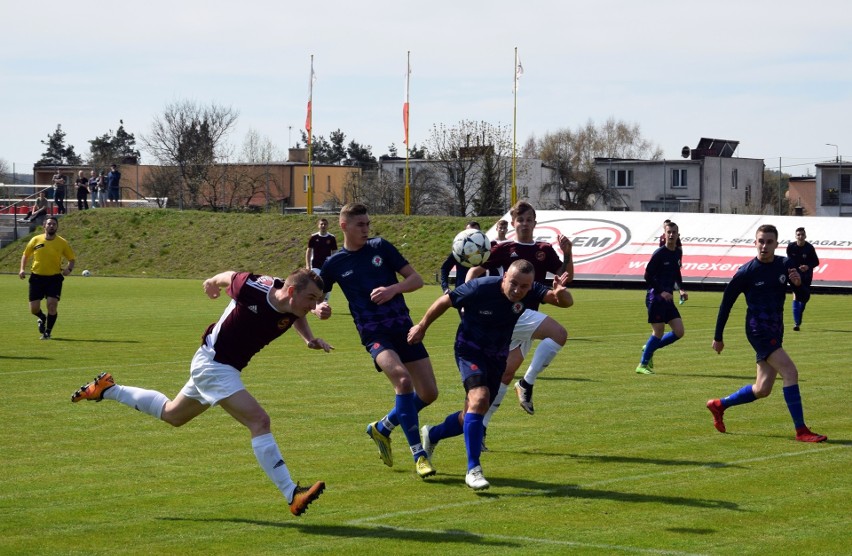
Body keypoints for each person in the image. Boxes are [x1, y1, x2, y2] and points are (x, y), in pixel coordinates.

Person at [71, 269, 332, 515]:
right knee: (259, 421)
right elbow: (230, 276)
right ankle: (291, 493)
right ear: (291, 291)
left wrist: (309, 339)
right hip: (214, 365)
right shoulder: (253, 288)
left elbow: (295, 317)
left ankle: (108, 389)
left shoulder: (292, 304)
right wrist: (210, 282)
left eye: (317, 300)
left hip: (221, 367)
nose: (313, 305)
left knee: (173, 415)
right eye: (311, 298)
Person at [410, 260, 573, 490]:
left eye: (524, 287)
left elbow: (565, 303)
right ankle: (473, 469)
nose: (517, 290)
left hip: (497, 357)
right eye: (513, 283)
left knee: (472, 412)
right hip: (470, 351)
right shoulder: (482, 287)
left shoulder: (530, 291)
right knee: (479, 398)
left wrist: (560, 293)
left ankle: (433, 433)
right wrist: (422, 326)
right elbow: (446, 301)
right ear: (505, 276)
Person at [317, 202, 438, 479]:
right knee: (403, 381)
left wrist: (393, 288)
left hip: (403, 327)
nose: (366, 229)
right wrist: (318, 309)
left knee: (429, 393)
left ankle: (382, 428)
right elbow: (316, 295)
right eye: (360, 224)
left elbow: (416, 279)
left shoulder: (381, 247)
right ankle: (419, 455)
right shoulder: (334, 263)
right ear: (344, 225)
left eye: (368, 224)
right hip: (373, 334)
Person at [706, 224, 827, 443]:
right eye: (761, 241)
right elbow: (726, 304)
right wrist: (718, 336)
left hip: (776, 329)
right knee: (790, 372)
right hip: (758, 330)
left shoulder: (785, 264)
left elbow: (803, 298)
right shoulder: (746, 272)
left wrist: (799, 285)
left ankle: (719, 405)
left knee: (762, 389)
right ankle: (801, 431)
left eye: (769, 242)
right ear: (755, 243)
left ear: (776, 244)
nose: (764, 246)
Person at [467, 200, 573, 422]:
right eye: (520, 220)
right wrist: (468, 297)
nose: (525, 224)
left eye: (529, 220)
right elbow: (474, 271)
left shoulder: (544, 250)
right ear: (513, 224)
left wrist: (567, 253)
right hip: (511, 312)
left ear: (535, 223)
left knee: (505, 375)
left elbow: (565, 277)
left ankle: (482, 426)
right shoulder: (505, 249)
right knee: (559, 334)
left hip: (526, 318)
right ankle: (526, 382)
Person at [635, 220, 688, 374]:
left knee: (679, 331)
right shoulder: (659, 254)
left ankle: (650, 347)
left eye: (674, 232)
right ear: (664, 235)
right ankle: (642, 365)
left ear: (678, 235)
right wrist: (661, 291)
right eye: (668, 232)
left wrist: (681, 289)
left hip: (668, 299)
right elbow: (647, 275)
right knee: (658, 332)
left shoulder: (677, 252)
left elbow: (676, 272)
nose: (671, 235)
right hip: (655, 298)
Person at [19, 216, 76, 339]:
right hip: (36, 278)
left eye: (54, 224)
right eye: (49, 224)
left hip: (54, 279)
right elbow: (25, 255)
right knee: (34, 309)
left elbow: (71, 259)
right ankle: (42, 317)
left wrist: (68, 269)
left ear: (57, 227)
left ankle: (47, 332)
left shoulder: (62, 242)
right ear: (44, 226)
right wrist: (22, 269)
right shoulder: (35, 240)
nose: (51, 226)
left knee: (52, 305)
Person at [786, 227, 819, 331]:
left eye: (802, 234)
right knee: (796, 294)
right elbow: (789, 260)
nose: (800, 236)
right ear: (795, 236)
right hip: (795, 274)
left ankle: (799, 317)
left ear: (805, 236)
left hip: (806, 275)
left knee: (804, 298)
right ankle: (796, 324)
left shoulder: (809, 248)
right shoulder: (791, 246)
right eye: (798, 234)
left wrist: (807, 266)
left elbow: (816, 262)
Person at [440, 221, 480, 294]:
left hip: (480, 292)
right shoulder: (459, 251)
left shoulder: (486, 251)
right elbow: (445, 268)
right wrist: (445, 287)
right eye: (469, 232)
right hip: (462, 292)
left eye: (475, 232)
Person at [305, 217, 338, 300]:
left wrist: (334, 265)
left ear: (327, 226)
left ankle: (325, 301)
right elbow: (308, 251)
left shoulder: (331, 238)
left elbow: (334, 252)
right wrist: (308, 265)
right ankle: (314, 300)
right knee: (316, 283)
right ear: (318, 226)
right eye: (321, 224)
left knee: (326, 284)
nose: (323, 226)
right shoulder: (313, 237)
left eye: (325, 224)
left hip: (326, 265)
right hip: (315, 265)